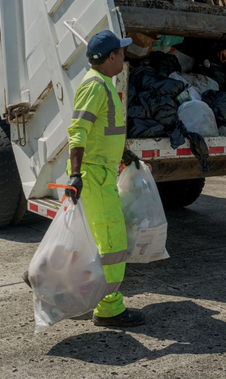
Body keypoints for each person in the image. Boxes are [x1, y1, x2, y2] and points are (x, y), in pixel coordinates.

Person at [65, 30, 144, 327]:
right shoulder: (96, 86)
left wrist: (122, 153)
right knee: (112, 244)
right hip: (94, 176)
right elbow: (78, 131)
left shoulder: (103, 84)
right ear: (111, 57)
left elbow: (102, 128)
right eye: (122, 53)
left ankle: (47, 275)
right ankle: (109, 309)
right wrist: (75, 175)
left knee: (94, 241)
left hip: (101, 173)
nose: (124, 57)